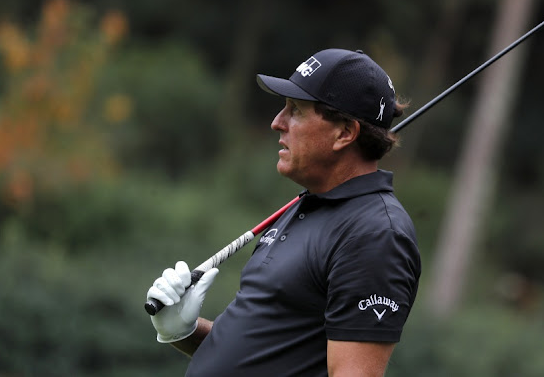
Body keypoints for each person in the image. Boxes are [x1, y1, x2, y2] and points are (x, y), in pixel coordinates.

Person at [146, 48, 421, 376]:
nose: (277, 122)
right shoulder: (306, 206)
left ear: (345, 133)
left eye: (296, 110)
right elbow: (261, 355)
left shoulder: (375, 234)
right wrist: (183, 332)